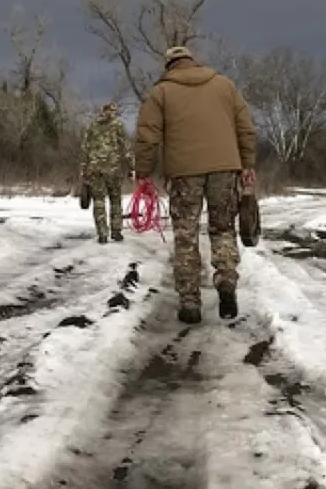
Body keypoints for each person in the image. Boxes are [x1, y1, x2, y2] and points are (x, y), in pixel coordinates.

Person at [133, 45, 258, 323]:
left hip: (183, 173)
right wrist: (247, 165)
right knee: (223, 228)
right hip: (226, 168)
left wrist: (143, 172)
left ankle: (190, 302)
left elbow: (147, 137)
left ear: (169, 66)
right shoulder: (224, 85)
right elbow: (246, 128)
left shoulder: (160, 93)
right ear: (193, 61)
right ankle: (226, 279)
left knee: (186, 236)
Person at [80, 101, 134, 244]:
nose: (113, 113)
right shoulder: (118, 125)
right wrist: (131, 167)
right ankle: (116, 232)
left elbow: (85, 148)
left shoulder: (92, 125)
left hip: (95, 169)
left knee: (98, 201)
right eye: (112, 111)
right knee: (115, 200)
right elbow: (126, 148)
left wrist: (84, 169)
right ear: (110, 111)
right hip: (113, 169)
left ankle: (102, 234)